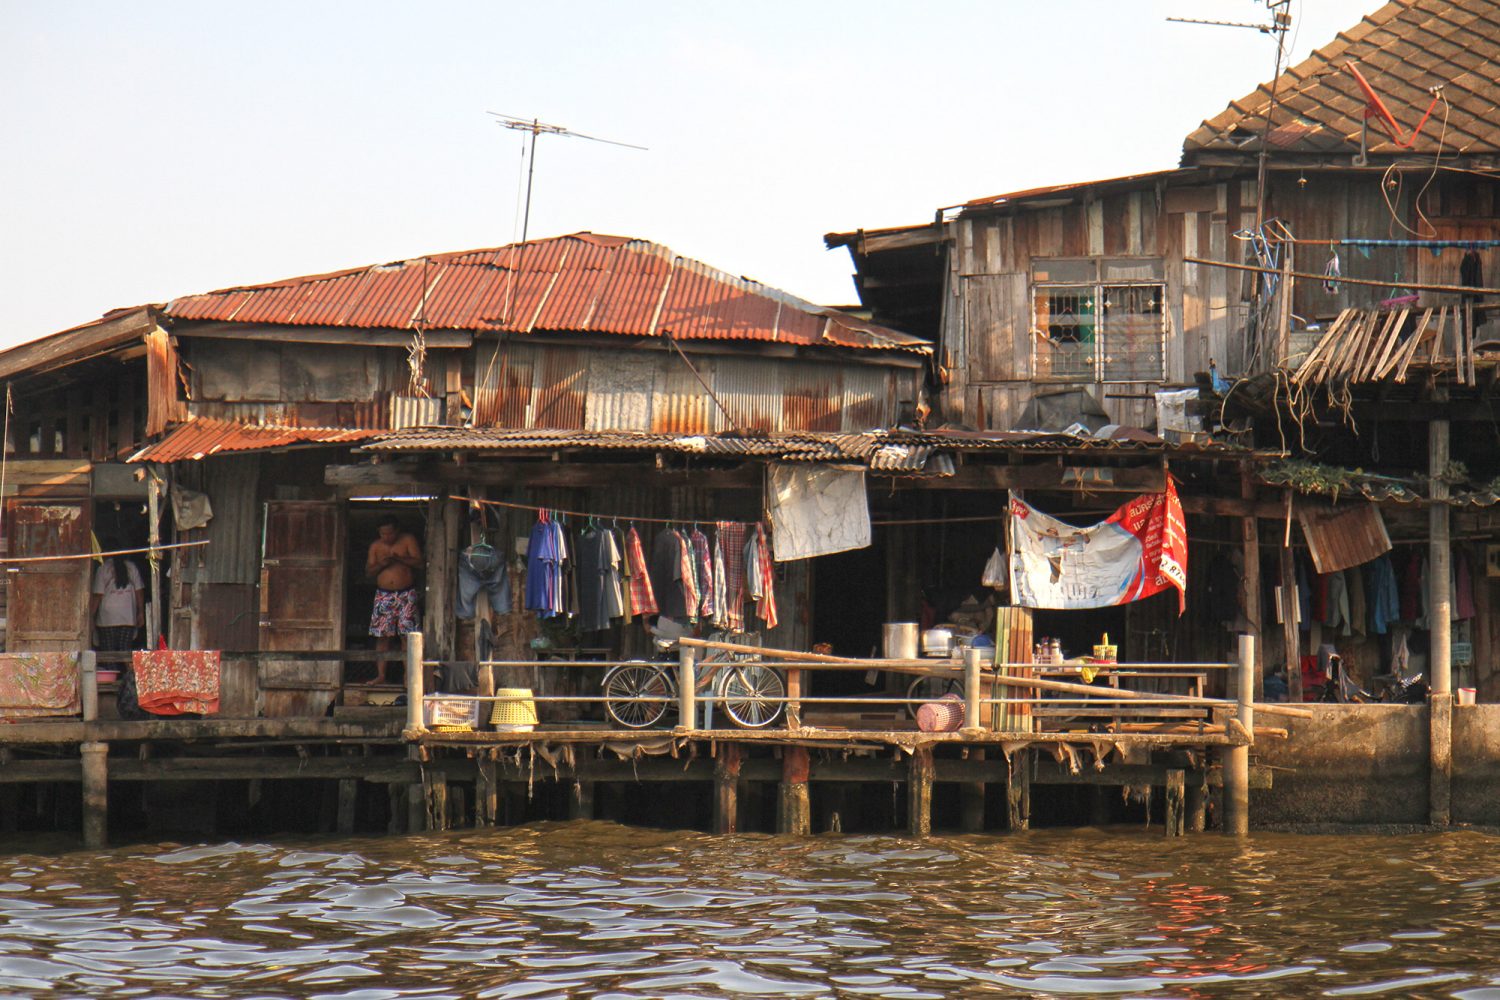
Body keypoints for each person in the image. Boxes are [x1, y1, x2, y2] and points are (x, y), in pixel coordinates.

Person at [365, 515, 424, 683]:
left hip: (406, 594)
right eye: (383, 534)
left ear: (397, 530)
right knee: (383, 636)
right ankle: (381, 675)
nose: (387, 537)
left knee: (408, 636)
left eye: (390, 533)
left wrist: (399, 558)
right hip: (384, 595)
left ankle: (409, 676)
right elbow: (369, 572)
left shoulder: (407, 540)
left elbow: (420, 562)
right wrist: (382, 564)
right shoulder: (375, 546)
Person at [90, 551, 145, 651]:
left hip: (107, 619)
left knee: (108, 653)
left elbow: (98, 595)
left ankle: (111, 667)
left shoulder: (103, 569)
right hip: (127, 617)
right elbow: (139, 592)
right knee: (125, 652)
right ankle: (126, 667)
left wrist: (91, 616)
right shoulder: (132, 568)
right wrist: (141, 612)